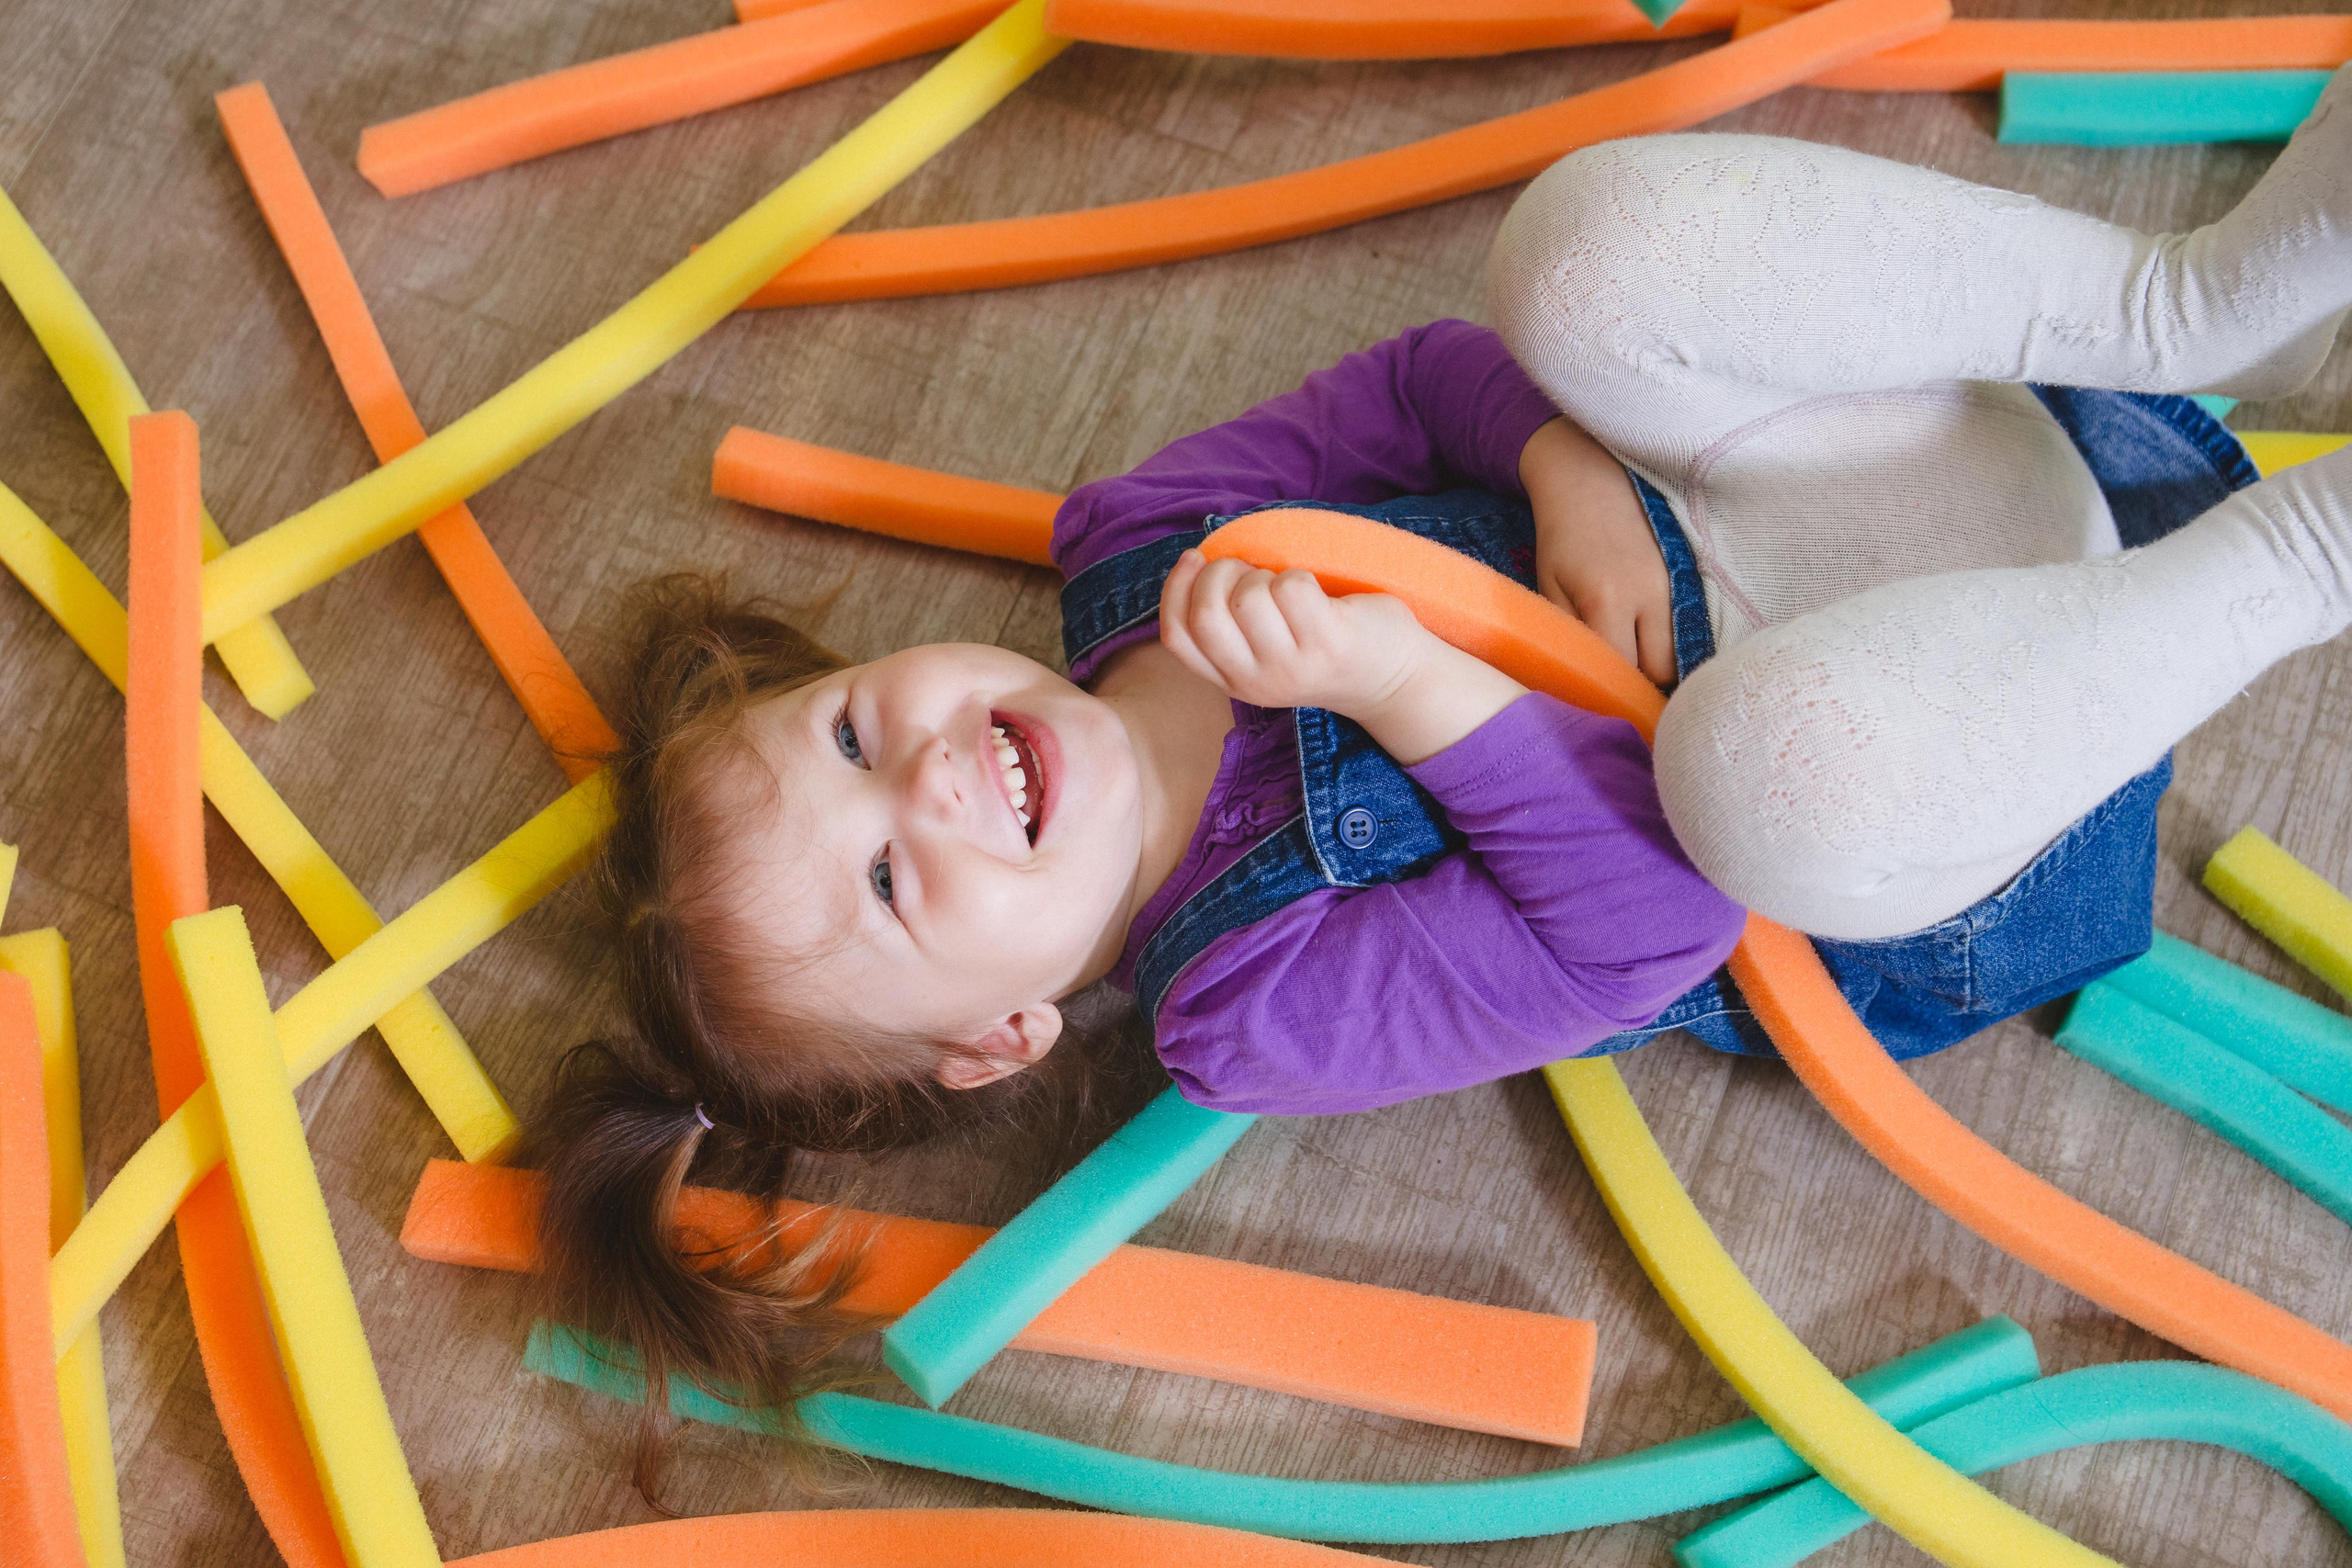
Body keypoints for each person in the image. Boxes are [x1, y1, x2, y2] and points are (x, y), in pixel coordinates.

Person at [535, 66, 2352, 1464]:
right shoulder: (1247, 1005)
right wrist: (1403, 680)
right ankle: (2304, 552)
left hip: (1844, 468)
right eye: (882, 879)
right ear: (999, 1034)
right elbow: (1643, 926)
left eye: (852, 728)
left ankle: (2182, 304)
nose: (918, 773)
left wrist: (1554, 461)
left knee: (1566, 255)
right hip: (1942, 758)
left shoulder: (1137, 537)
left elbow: (1424, 381)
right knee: (1751, 784)